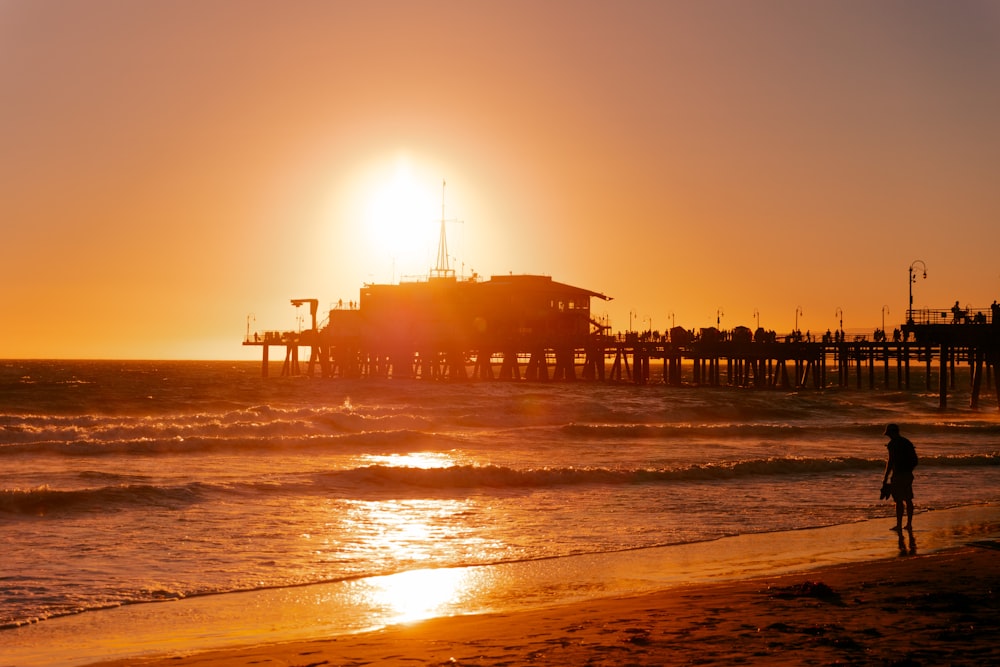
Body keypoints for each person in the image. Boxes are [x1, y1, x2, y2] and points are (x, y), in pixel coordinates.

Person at [881, 423, 917, 532]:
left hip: (898, 475)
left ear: (892, 433)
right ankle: (909, 524)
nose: (888, 436)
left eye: (888, 434)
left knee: (898, 500)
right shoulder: (907, 442)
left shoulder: (892, 444)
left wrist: (885, 477)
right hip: (908, 474)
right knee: (908, 499)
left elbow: (890, 461)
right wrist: (909, 471)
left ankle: (899, 525)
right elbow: (915, 460)